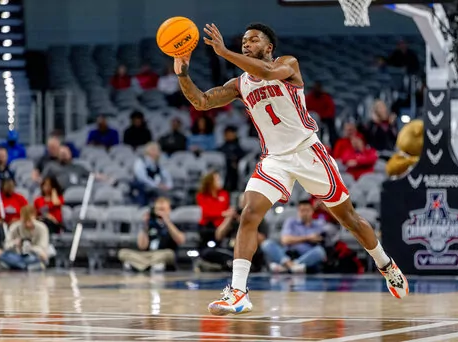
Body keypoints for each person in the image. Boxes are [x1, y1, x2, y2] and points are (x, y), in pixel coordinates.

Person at [174, 22, 408, 316]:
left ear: (269, 47)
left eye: (253, 40)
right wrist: (182, 73)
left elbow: (268, 73)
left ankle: (385, 264)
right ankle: (238, 292)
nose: (246, 44)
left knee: (348, 219)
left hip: (308, 152)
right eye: (243, 41)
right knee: (248, 214)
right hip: (275, 160)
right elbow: (201, 101)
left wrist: (223, 51)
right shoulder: (240, 84)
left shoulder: (287, 64)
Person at [118, 197, 185, 272]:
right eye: (158, 209)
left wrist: (167, 221)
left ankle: (138, 265)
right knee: (123, 253)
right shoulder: (150, 224)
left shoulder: (174, 224)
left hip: (162, 254)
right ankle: (149, 266)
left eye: (163, 209)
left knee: (168, 254)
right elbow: (142, 246)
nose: (160, 212)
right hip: (148, 255)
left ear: (169, 210)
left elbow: (180, 240)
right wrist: (145, 225)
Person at [261, 200, 327, 273]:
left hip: (306, 254)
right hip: (288, 254)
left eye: (307, 210)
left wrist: (293, 239)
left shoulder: (318, 224)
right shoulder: (291, 222)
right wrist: (308, 238)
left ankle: (287, 267)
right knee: (266, 244)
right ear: (298, 211)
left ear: (312, 211)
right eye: (302, 211)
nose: (305, 213)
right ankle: (293, 266)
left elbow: (320, 239)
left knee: (320, 251)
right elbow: (285, 240)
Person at [0, 205, 49, 271]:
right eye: (25, 222)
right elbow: (6, 245)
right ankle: (26, 267)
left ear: (34, 217)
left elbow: (43, 247)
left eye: (30, 221)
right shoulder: (15, 227)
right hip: (17, 255)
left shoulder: (42, 228)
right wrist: (14, 243)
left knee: (40, 257)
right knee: (2, 255)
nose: (27, 224)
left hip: (33, 255)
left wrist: (31, 248)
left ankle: (19, 266)